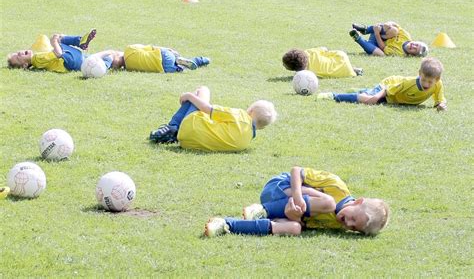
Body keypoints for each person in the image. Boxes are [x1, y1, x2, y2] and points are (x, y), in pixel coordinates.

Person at [204, 166, 389, 237]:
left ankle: (227, 224)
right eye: (353, 219)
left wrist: (296, 218)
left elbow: (301, 220)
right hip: (279, 188)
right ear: (358, 202)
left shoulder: (336, 224)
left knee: (294, 229)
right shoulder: (337, 186)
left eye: (354, 228)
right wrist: (299, 197)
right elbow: (296, 171)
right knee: (328, 202)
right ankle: (263, 210)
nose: (348, 224)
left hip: (286, 209)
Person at [149, 86, 277, 152]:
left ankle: (172, 127)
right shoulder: (246, 141)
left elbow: (207, 108)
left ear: (251, 110)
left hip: (192, 126)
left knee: (203, 90)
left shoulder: (240, 115)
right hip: (189, 144)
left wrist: (188, 95)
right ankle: (174, 133)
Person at [317, 57, 447, 111]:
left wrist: (441, 105)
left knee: (369, 95)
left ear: (437, 79)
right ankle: (333, 95)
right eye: (424, 79)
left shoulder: (438, 84)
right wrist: (375, 97)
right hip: (388, 86)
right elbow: (387, 89)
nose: (426, 84)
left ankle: (362, 90)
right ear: (419, 73)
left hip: (394, 97)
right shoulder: (409, 83)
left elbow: (439, 100)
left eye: (430, 82)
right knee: (369, 100)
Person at [7, 30, 98, 73]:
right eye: (18, 57)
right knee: (58, 41)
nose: (19, 53)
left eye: (17, 52)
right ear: (25, 65)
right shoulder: (37, 59)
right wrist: (54, 42)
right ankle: (80, 41)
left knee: (60, 39)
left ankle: (81, 42)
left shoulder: (37, 58)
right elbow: (58, 53)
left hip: (72, 60)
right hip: (69, 62)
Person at [101, 45, 210, 73]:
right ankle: (180, 59)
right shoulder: (130, 49)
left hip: (163, 68)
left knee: (180, 68)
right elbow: (152, 47)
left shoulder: (128, 68)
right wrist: (168, 49)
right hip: (162, 56)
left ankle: (182, 64)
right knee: (175, 58)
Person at [349, 22, 429, 57]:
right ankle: (365, 29)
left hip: (376, 43)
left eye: (415, 49)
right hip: (380, 32)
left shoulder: (400, 53)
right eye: (416, 45)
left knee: (381, 54)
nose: (413, 46)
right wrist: (388, 24)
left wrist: (377, 34)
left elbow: (383, 47)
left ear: (411, 55)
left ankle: (357, 38)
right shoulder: (406, 36)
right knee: (394, 30)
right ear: (415, 41)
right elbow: (395, 25)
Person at [282, 47, 363, 78]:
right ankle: (353, 68)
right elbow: (324, 48)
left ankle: (353, 69)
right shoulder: (310, 52)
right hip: (342, 57)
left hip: (347, 73)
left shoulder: (308, 74)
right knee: (327, 54)